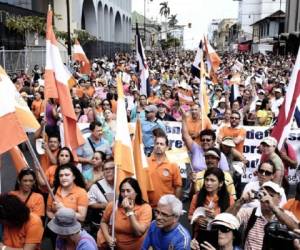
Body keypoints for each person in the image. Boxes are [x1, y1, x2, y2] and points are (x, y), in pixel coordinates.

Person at [227, 181, 299, 250]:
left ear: (279, 199)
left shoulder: (285, 215)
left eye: (271, 195)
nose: (266, 198)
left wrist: (273, 207)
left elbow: (296, 229)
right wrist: (241, 201)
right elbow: (225, 221)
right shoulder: (249, 213)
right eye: (264, 194)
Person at [98, 177, 152, 249]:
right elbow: (103, 222)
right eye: (122, 191)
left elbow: (139, 232)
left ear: (136, 193)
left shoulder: (145, 208)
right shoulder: (113, 205)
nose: (125, 194)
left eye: (128, 191)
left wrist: (129, 211)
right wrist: (108, 237)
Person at [189, 168, 235, 235]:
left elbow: (232, 221)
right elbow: (190, 216)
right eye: (206, 180)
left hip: (220, 236)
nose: (208, 183)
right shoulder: (197, 196)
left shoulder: (229, 199)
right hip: (200, 234)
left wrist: (216, 217)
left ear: (221, 183)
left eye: (212, 180)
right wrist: (197, 220)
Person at [147, 134, 182, 208]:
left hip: (166, 207)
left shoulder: (173, 164)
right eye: (157, 143)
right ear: (154, 145)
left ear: (166, 147)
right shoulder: (146, 162)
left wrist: (174, 205)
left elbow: (178, 187)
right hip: (148, 206)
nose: (158, 146)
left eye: (162, 144)